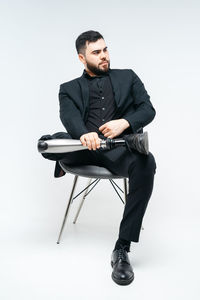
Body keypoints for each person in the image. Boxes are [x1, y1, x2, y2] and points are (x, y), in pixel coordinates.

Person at [40, 30, 156, 286]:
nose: (104, 56)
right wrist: (84, 135)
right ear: (82, 58)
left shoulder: (128, 76)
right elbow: (69, 117)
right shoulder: (68, 88)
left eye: (105, 50)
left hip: (119, 148)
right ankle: (60, 158)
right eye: (96, 52)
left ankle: (122, 248)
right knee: (46, 143)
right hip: (83, 148)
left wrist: (124, 122)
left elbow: (148, 109)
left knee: (147, 162)